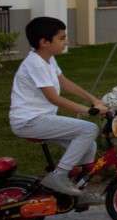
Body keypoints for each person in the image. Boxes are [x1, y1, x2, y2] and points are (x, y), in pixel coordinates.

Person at [9, 16, 108, 197]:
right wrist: (88, 110)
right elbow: (54, 98)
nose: (66, 42)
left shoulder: (48, 59)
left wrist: (94, 99)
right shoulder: (35, 64)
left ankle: (75, 190)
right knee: (89, 129)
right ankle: (59, 177)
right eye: (61, 38)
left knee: (89, 146)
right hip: (29, 121)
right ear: (44, 42)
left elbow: (64, 82)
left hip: (41, 118)